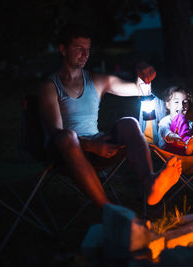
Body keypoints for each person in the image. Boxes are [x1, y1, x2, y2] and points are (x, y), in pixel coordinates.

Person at [38, 24, 182, 208]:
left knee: (128, 123)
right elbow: (56, 134)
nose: (85, 54)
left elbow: (139, 89)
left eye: (88, 49)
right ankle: (108, 209)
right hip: (64, 154)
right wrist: (91, 145)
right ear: (63, 49)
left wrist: (141, 69)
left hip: (97, 147)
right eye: (79, 48)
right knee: (67, 137)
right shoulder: (49, 87)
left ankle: (150, 184)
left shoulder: (97, 80)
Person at [158, 85, 193, 155]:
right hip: (171, 149)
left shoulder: (189, 123)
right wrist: (172, 136)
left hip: (190, 150)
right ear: (168, 105)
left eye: (185, 102)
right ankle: (188, 142)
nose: (181, 106)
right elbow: (164, 131)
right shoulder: (166, 120)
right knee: (180, 117)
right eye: (176, 102)